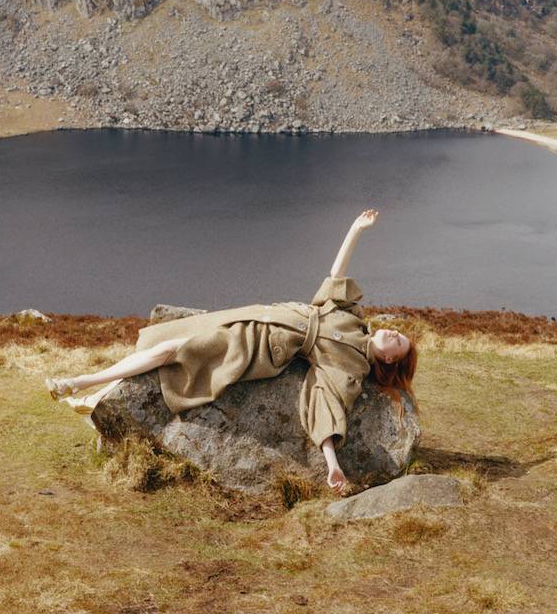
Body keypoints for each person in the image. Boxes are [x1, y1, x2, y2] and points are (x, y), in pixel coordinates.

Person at [45, 209, 417, 494]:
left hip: (255, 346)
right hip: (254, 316)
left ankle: (81, 383)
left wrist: (332, 464)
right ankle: (92, 395)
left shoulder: (352, 368)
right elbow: (336, 275)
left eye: (398, 343)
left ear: (387, 360)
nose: (394, 332)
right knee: (166, 344)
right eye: (398, 333)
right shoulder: (353, 318)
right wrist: (355, 230)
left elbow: (327, 405)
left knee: (173, 350)